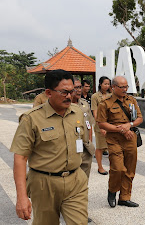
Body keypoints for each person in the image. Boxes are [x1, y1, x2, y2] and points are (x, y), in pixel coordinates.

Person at [10, 69, 88, 224]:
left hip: (75, 181)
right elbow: (20, 157)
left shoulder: (77, 112)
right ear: (48, 93)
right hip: (44, 184)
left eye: (71, 91)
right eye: (64, 92)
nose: (69, 96)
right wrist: (21, 197)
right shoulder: (31, 119)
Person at [97, 76, 143, 208]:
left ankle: (124, 197)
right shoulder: (105, 103)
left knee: (130, 169)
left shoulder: (132, 100)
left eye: (126, 87)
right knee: (117, 168)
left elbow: (140, 118)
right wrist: (122, 130)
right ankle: (112, 191)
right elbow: (101, 123)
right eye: (122, 87)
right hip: (114, 140)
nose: (125, 89)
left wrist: (130, 124)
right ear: (113, 87)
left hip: (130, 138)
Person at [71, 79, 96, 178]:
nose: (79, 90)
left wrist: (89, 142)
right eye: (76, 88)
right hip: (71, 148)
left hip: (85, 147)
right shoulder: (64, 106)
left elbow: (89, 125)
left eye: (80, 87)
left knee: (84, 178)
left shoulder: (84, 104)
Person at [91, 76, 112, 175]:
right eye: (105, 84)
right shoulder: (95, 96)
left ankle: (113, 166)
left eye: (108, 84)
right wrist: (101, 126)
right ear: (100, 84)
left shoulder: (111, 95)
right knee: (100, 146)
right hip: (100, 125)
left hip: (110, 125)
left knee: (112, 146)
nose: (107, 86)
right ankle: (100, 167)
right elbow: (95, 113)